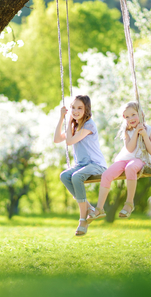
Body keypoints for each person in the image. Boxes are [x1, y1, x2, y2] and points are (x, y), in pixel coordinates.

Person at [87, 101, 151, 222]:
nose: (131, 118)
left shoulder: (150, 130)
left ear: (140, 114)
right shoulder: (127, 130)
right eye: (127, 116)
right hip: (124, 159)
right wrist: (135, 132)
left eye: (133, 114)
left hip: (140, 159)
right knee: (106, 175)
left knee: (130, 168)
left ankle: (129, 203)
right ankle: (99, 208)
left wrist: (144, 135)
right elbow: (129, 148)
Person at [54, 95, 107, 236]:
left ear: (86, 109)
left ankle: (83, 219)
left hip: (96, 164)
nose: (75, 111)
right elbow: (57, 139)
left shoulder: (89, 124)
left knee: (77, 177)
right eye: (73, 108)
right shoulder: (75, 126)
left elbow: (70, 141)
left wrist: (70, 121)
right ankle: (90, 208)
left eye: (80, 108)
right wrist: (62, 118)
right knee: (65, 176)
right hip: (82, 165)